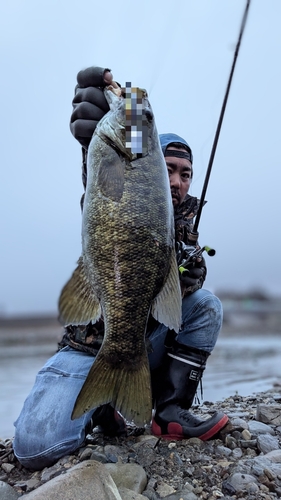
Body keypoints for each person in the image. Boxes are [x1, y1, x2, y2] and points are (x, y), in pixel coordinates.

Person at [13, 66, 228, 471]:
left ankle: (168, 409)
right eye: (168, 168)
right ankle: (105, 406)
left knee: (207, 304)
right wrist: (100, 127)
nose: (177, 181)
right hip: (88, 345)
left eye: (186, 174)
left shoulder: (186, 231)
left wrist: (184, 267)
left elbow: (179, 294)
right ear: (148, 163)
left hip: (139, 344)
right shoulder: (123, 168)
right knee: (35, 447)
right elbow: (110, 173)